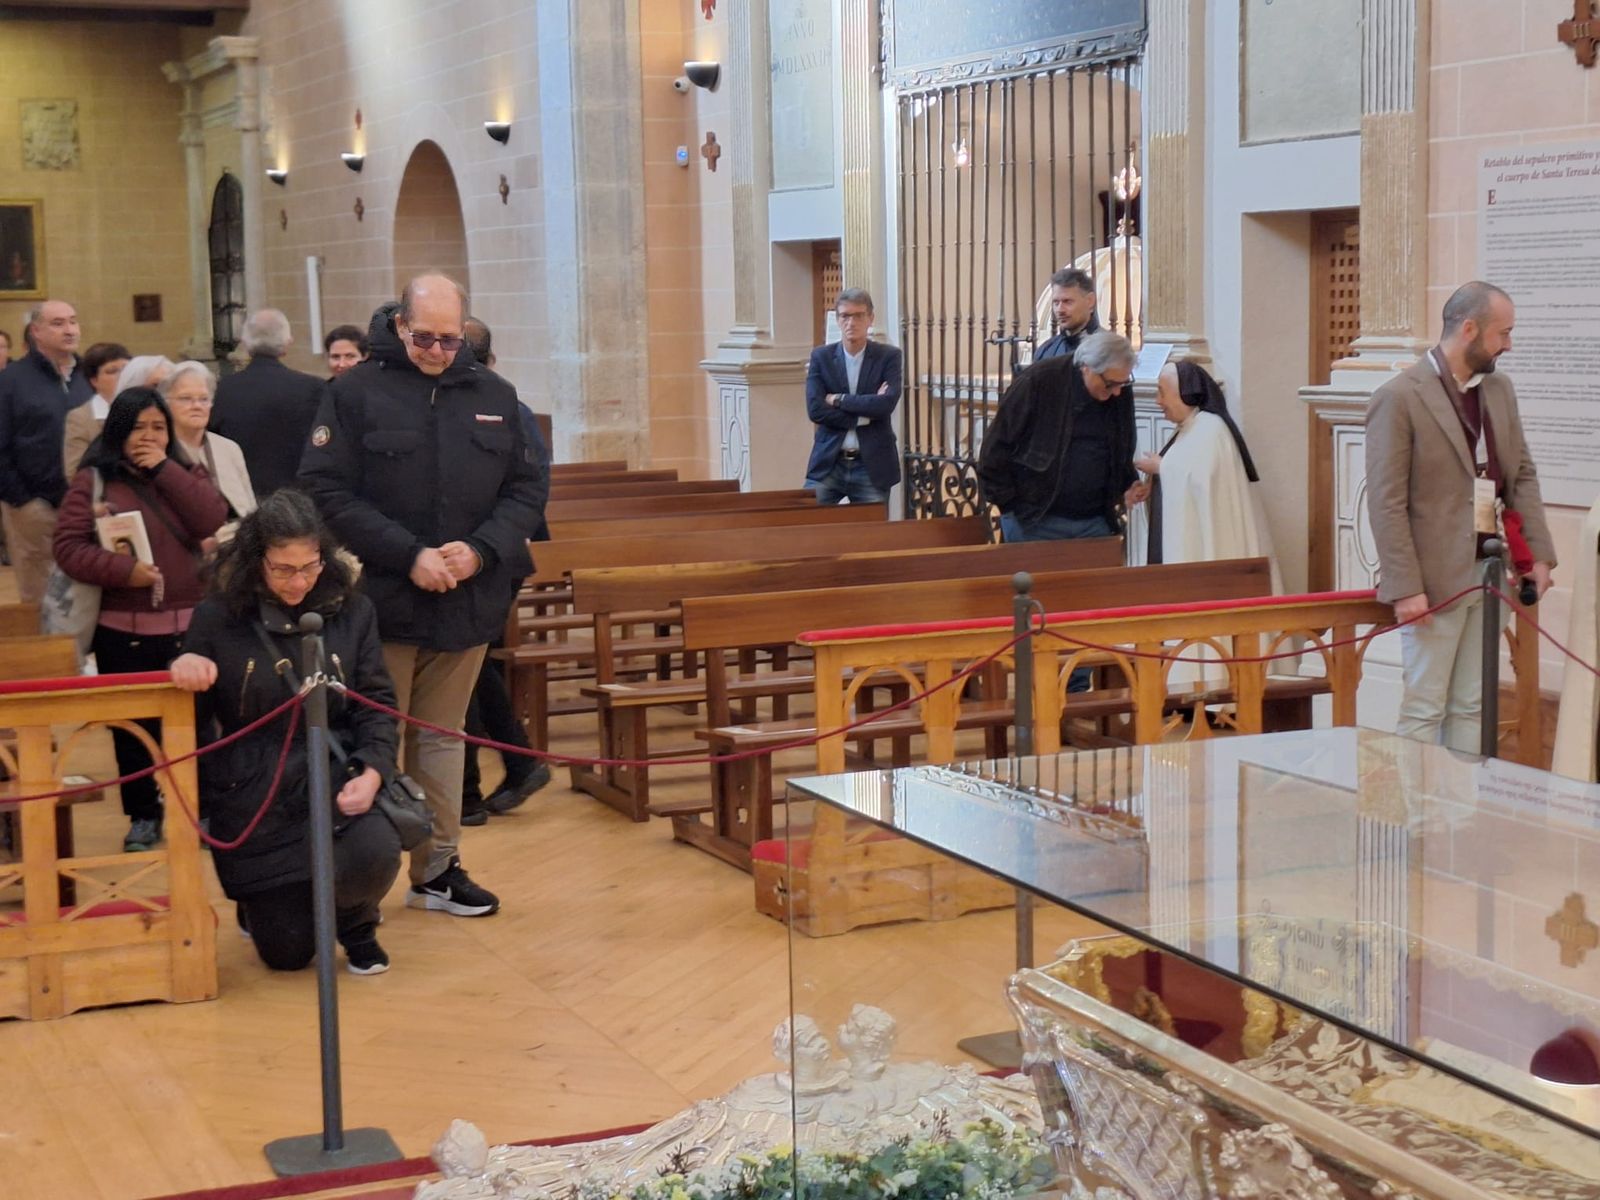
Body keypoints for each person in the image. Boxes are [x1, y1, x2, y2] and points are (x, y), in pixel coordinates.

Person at [299, 275, 547, 916]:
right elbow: (325, 489)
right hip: (380, 602)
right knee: (374, 740)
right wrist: (408, 554)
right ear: (400, 325)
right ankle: (360, 878)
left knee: (442, 737)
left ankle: (437, 869)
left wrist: (481, 550)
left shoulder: (495, 394)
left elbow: (526, 490)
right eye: (424, 338)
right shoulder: (354, 393)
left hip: (466, 599)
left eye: (450, 339)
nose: (437, 350)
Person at [169, 491, 402, 974]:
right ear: (258, 561)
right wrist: (184, 666)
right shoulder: (217, 616)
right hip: (255, 790)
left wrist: (374, 770)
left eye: (310, 567)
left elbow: (376, 703)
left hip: (336, 770)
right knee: (287, 955)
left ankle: (357, 922)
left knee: (374, 851)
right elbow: (193, 722)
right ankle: (265, 906)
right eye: (283, 569)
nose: (298, 582)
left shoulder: (354, 610)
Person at [1366, 281, 1556, 754]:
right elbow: (1386, 501)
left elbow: (1521, 475)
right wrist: (1405, 586)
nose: (1508, 345)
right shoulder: (1400, 396)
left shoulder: (1499, 389)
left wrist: (1539, 555)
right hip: (1433, 581)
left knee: (1472, 705)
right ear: (1469, 329)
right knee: (1424, 707)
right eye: (1503, 333)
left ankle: (1462, 802)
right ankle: (1415, 804)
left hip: (1491, 569)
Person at [52, 388, 229, 851]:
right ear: (118, 431)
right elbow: (68, 547)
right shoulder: (94, 480)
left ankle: (205, 811)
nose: (148, 436)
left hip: (191, 629)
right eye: (137, 427)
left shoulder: (184, 471)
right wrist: (123, 570)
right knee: (132, 732)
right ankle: (144, 816)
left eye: (158, 427)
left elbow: (211, 518)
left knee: (200, 727)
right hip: (123, 632)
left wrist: (165, 468)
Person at [455, 316, 553, 824]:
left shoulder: (494, 406)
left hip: (488, 556)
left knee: (466, 664)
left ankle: (472, 789)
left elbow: (528, 487)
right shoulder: (507, 404)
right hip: (493, 552)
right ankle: (515, 765)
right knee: (474, 667)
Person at [978, 330, 1147, 544]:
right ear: (1086, 367)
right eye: (1110, 384)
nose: (1117, 392)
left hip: (1095, 521)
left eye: (1123, 383)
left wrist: (1128, 483)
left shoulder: (1118, 390)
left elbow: (1122, 446)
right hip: (1034, 521)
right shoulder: (1039, 380)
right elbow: (995, 448)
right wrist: (1011, 507)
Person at [1136, 360, 1273, 572]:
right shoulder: (1190, 426)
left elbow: (1203, 478)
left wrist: (1162, 467)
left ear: (1183, 393)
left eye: (1162, 392)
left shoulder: (1210, 429)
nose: (1158, 401)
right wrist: (1154, 481)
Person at [0, 299, 93, 603]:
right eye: (58, 323)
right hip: (34, 507)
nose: (70, 330)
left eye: (73, 321)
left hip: (87, 506)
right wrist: (23, 500)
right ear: (36, 331)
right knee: (43, 600)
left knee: (88, 595)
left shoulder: (88, 377)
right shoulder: (10, 381)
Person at [211, 308, 326, 498]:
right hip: (297, 498)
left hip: (240, 496)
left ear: (245, 343)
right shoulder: (314, 389)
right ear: (287, 343)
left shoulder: (222, 390)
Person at [802, 289, 902, 506]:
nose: (851, 322)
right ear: (837, 320)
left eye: (858, 315)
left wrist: (839, 400)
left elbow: (885, 405)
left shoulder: (888, 356)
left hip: (871, 465)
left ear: (870, 319)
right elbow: (815, 409)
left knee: (872, 527)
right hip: (829, 461)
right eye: (845, 316)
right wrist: (864, 415)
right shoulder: (821, 357)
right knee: (807, 522)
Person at [161, 360, 257, 528]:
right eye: (185, 399)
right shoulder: (161, 450)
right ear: (166, 403)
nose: (196, 406)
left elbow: (250, 508)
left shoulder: (228, 448)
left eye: (204, 399)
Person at [61, 341, 130, 479]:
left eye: (126, 369)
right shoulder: (80, 417)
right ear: (94, 380)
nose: (122, 376)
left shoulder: (147, 406)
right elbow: (74, 472)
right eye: (112, 371)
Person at [1033, 268, 1101, 362]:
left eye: (1067, 301)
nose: (1060, 310)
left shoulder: (1110, 350)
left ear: (1090, 301)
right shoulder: (1045, 351)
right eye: (1056, 302)